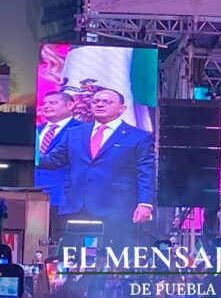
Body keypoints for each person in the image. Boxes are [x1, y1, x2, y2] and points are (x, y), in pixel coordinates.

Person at [37, 89, 155, 248]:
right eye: (96, 101)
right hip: (77, 204)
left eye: (107, 102)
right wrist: (28, 154)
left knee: (116, 256)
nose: (100, 104)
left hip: (117, 207)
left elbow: (145, 173)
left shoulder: (138, 137)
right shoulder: (75, 133)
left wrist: (145, 204)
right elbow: (53, 160)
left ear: (122, 108)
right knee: (71, 255)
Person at [35, 91, 82, 212]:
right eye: (44, 103)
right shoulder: (34, 130)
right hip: (30, 194)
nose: (46, 106)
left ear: (70, 105)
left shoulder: (83, 131)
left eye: (53, 103)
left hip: (64, 197)